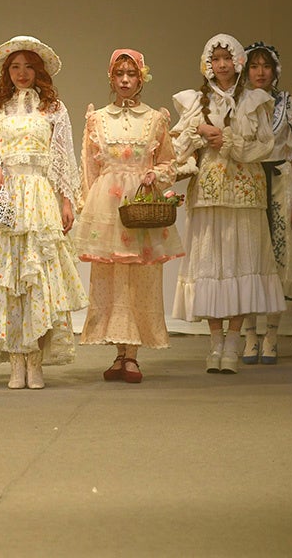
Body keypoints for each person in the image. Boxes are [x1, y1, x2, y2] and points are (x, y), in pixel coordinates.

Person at [0, 36, 87, 389]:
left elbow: (63, 157)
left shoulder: (54, 109)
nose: (21, 73)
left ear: (38, 70)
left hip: (40, 197)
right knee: (8, 280)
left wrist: (67, 201)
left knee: (37, 278)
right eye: (15, 66)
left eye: (28, 66)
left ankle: (35, 361)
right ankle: (15, 362)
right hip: (9, 198)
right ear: (6, 71)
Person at [170, 34, 285, 373]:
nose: (221, 64)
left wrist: (230, 141)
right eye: (215, 59)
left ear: (237, 62)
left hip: (244, 193)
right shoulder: (196, 101)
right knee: (210, 266)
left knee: (241, 263)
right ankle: (215, 342)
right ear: (208, 64)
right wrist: (199, 133)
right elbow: (177, 148)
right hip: (208, 194)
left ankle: (233, 342)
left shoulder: (254, 100)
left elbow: (266, 145)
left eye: (226, 58)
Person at [75, 49, 183, 383]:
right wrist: (86, 208)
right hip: (107, 206)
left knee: (141, 275)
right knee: (111, 277)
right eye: (119, 74)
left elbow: (169, 162)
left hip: (139, 204)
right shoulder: (96, 119)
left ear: (141, 78)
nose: (125, 80)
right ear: (111, 77)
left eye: (131, 74)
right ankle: (119, 353)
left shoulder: (155, 119)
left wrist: (155, 175)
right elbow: (89, 167)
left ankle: (132, 354)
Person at [239, 42, 292, 364]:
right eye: (254, 66)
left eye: (265, 66)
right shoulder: (239, 104)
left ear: (275, 70)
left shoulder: (289, 105)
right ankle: (250, 335)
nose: (260, 72)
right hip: (249, 184)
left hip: (281, 184)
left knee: (278, 263)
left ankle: (272, 335)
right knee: (248, 262)